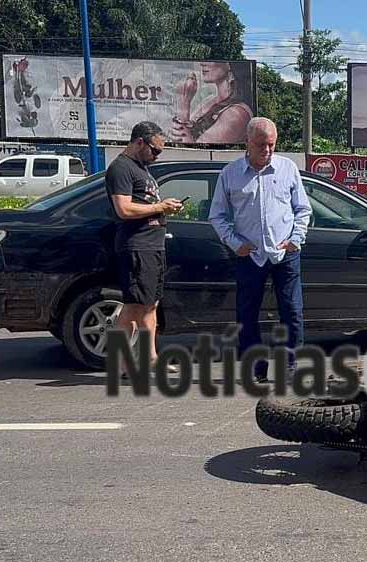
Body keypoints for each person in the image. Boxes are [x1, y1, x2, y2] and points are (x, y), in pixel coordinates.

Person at [208, 117, 312, 381]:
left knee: (292, 311)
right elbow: (217, 215)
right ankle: (255, 367)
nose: (266, 150)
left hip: (285, 253)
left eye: (271, 145)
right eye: (260, 145)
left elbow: (303, 209)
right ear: (247, 143)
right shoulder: (230, 174)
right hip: (250, 254)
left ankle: (289, 365)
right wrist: (235, 243)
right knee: (246, 313)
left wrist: (295, 239)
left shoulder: (287, 168)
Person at [105, 121, 183, 374]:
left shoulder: (141, 168)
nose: (156, 156)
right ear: (140, 142)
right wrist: (161, 207)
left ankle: (149, 357)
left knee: (150, 303)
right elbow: (124, 209)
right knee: (134, 305)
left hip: (152, 245)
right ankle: (120, 361)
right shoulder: (121, 168)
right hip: (137, 246)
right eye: (155, 150)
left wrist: (165, 207)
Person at [170, 62, 254, 144]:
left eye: (210, 60)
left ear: (228, 65)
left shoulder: (236, 115)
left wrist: (184, 102)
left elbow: (195, 152)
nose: (202, 63)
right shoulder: (209, 100)